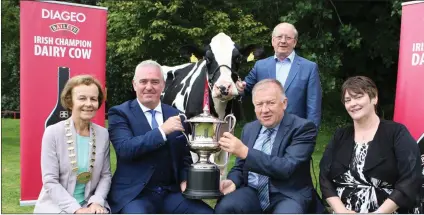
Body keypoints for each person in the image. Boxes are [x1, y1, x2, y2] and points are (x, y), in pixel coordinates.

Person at [106, 60, 213, 214]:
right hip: (135, 195)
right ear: (134, 84)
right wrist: (162, 131)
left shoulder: (175, 114)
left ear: (163, 85)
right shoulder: (120, 113)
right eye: (143, 81)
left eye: (155, 82)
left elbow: (184, 157)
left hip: (171, 193)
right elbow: (125, 149)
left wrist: (184, 179)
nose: (149, 87)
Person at [319, 76, 421, 213]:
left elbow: (410, 178)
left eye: (358, 97)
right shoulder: (340, 135)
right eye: (348, 100)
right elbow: (324, 178)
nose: (352, 103)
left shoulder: (397, 133)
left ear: (374, 98)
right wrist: (340, 211)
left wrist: (379, 213)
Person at [214, 79, 319, 213]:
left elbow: (286, 168)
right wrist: (233, 181)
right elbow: (240, 166)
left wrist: (245, 151)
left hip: (287, 194)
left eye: (270, 103)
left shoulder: (303, 128)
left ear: (284, 103)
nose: (264, 110)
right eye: (259, 104)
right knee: (225, 207)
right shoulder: (249, 129)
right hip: (252, 191)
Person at [34, 75, 111, 214]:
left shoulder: (103, 134)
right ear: (70, 102)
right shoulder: (53, 133)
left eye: (93, 99)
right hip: (57, 206)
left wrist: (97, 201)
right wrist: (77, 210)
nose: (89, 103)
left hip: (91, 205)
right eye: (82, 98)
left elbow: (105, 176)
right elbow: (50, 181)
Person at [236, 22, 322, 128]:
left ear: (294, 42)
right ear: (273, 41)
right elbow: (245, 88)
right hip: (265, 130)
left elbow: (313, 107)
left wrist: (310, 134)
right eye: (279, 37)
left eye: (288, 38)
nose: (283, 41)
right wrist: (240, 87)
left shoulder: (309, 68)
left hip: (295, 131)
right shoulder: (260, 66)